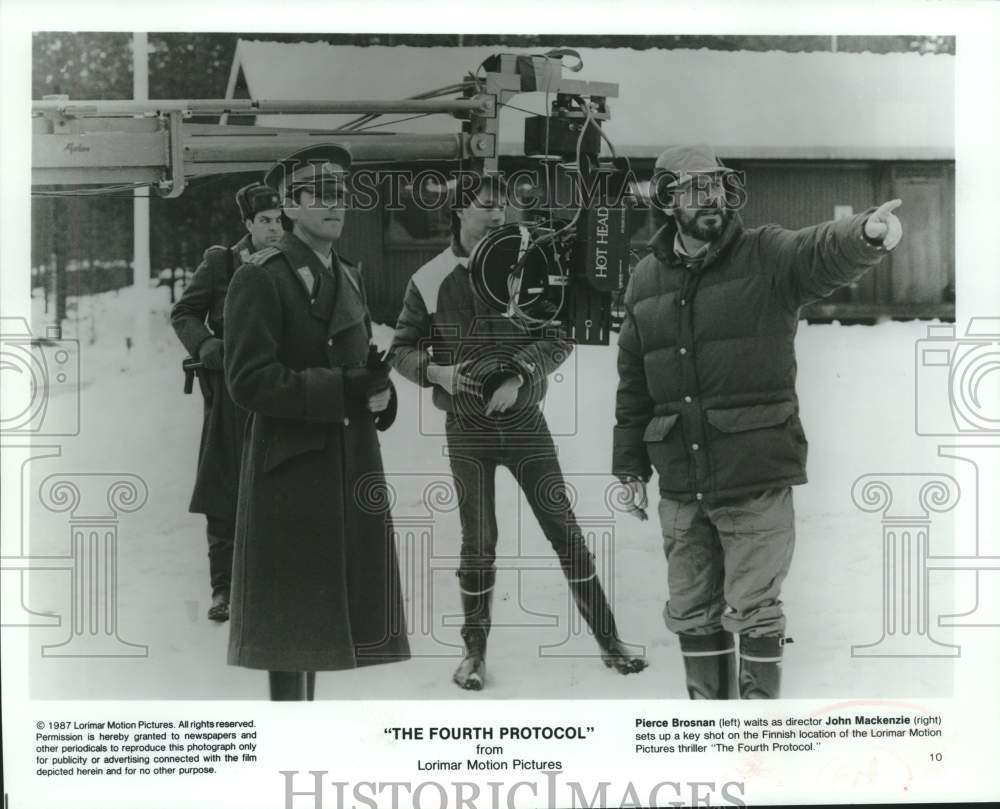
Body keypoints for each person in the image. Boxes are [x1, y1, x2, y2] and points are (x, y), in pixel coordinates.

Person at [613, 144, 903, 699]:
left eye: (719, 187)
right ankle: (710, 727)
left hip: (753, 466)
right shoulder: (646, 278)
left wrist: (866, 233)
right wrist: (629, 467)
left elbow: (816, 250)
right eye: (698, 190)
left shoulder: (765, 255)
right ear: (669, 199)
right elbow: (634, 385)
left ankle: (756, 746)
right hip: (680, 477)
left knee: (755, 608)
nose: (713, 200)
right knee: (690, 606)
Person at [391, 174, 647, 691]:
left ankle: (609, 641)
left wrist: (521, 375)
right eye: (488, 205)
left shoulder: (531, 260)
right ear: (459, 211)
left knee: (565, 530)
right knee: (478, 541)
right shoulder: (429, 278)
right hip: (468, 428)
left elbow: (559, 336)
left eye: (506, 205)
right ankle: (474, 654)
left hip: (527, 425)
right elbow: (401, 348)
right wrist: (435, 372)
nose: (500, 214)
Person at [223, 144, 410, 700]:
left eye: (342, 195)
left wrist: (380, 394)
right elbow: (248, 381)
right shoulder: (263, 276)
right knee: (290, 626)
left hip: (348, 461)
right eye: (320, 195)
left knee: (330, 619)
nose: (336, 205)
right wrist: (340, 390)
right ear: (290, 205)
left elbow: (358, 364)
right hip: (292, 467)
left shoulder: (347, 273)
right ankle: (288, 741)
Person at [171, 182, 284, 622]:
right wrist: (206, 348)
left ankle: (272, 583)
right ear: (248, 224)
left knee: (278, 481)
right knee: (224, 488)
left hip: (277, 391)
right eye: (265, 222)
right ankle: (224, 590)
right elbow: (184, 313)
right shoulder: (221, 263)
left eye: (279, 221)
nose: (275, 229)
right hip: (230, 397)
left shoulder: (290, 263)